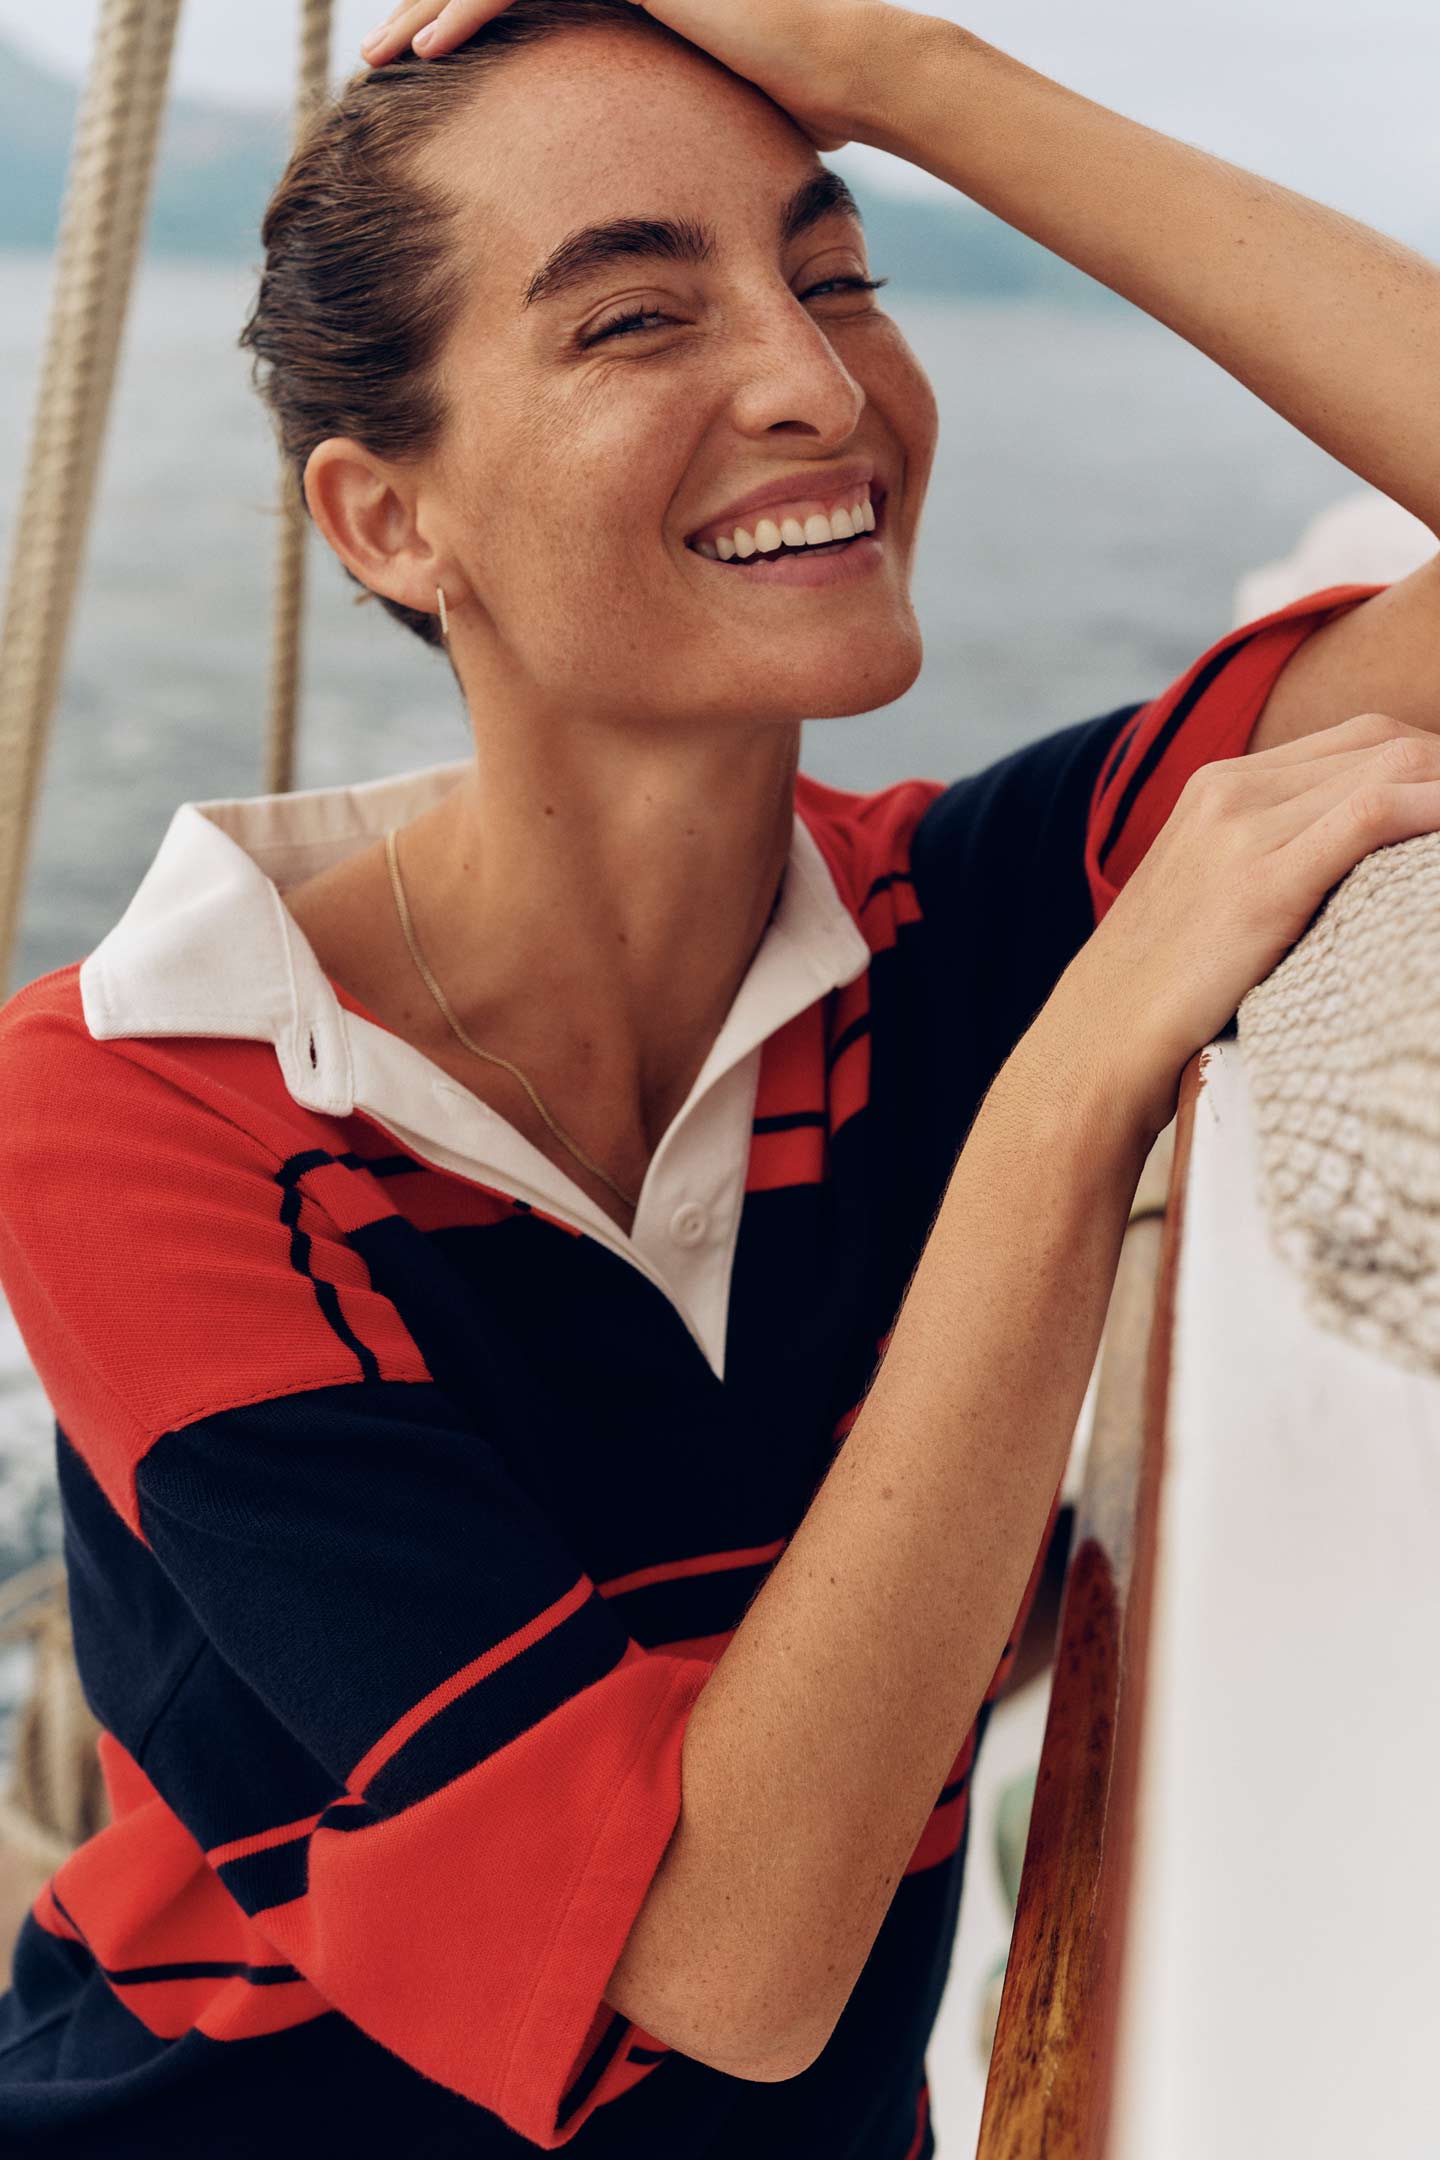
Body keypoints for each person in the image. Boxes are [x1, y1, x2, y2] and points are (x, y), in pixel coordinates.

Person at [0, 0, 1437, 2151]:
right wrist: (1075, 1089)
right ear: (391, 526)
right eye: (636, 320)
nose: (817, 380)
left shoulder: (958, 911)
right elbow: (718, 1969)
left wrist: (912, 71)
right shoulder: (139, 1103)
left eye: (836, 274)